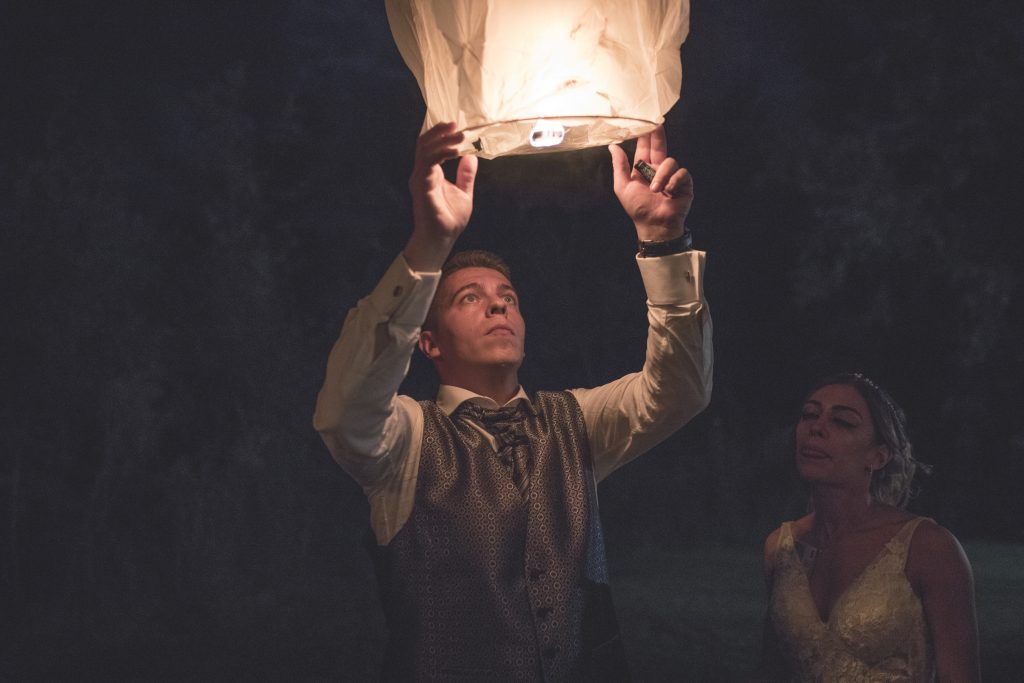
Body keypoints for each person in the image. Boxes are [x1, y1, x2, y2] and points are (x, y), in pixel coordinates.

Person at [313, 121, 712, 681]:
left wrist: (664, 241)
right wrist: (429, 244)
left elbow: (681, 389)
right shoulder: (404, 439)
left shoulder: (575, 420)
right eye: (469, 298)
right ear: (428, 341)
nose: (497, 307)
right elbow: (342, 410)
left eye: (508, 298)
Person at [756, 373, 980, 682]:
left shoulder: (928, 548)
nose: (816, 428)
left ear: (878, 456)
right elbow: (772, 671)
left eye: (843, 422)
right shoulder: (780, 548)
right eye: (809, 415)